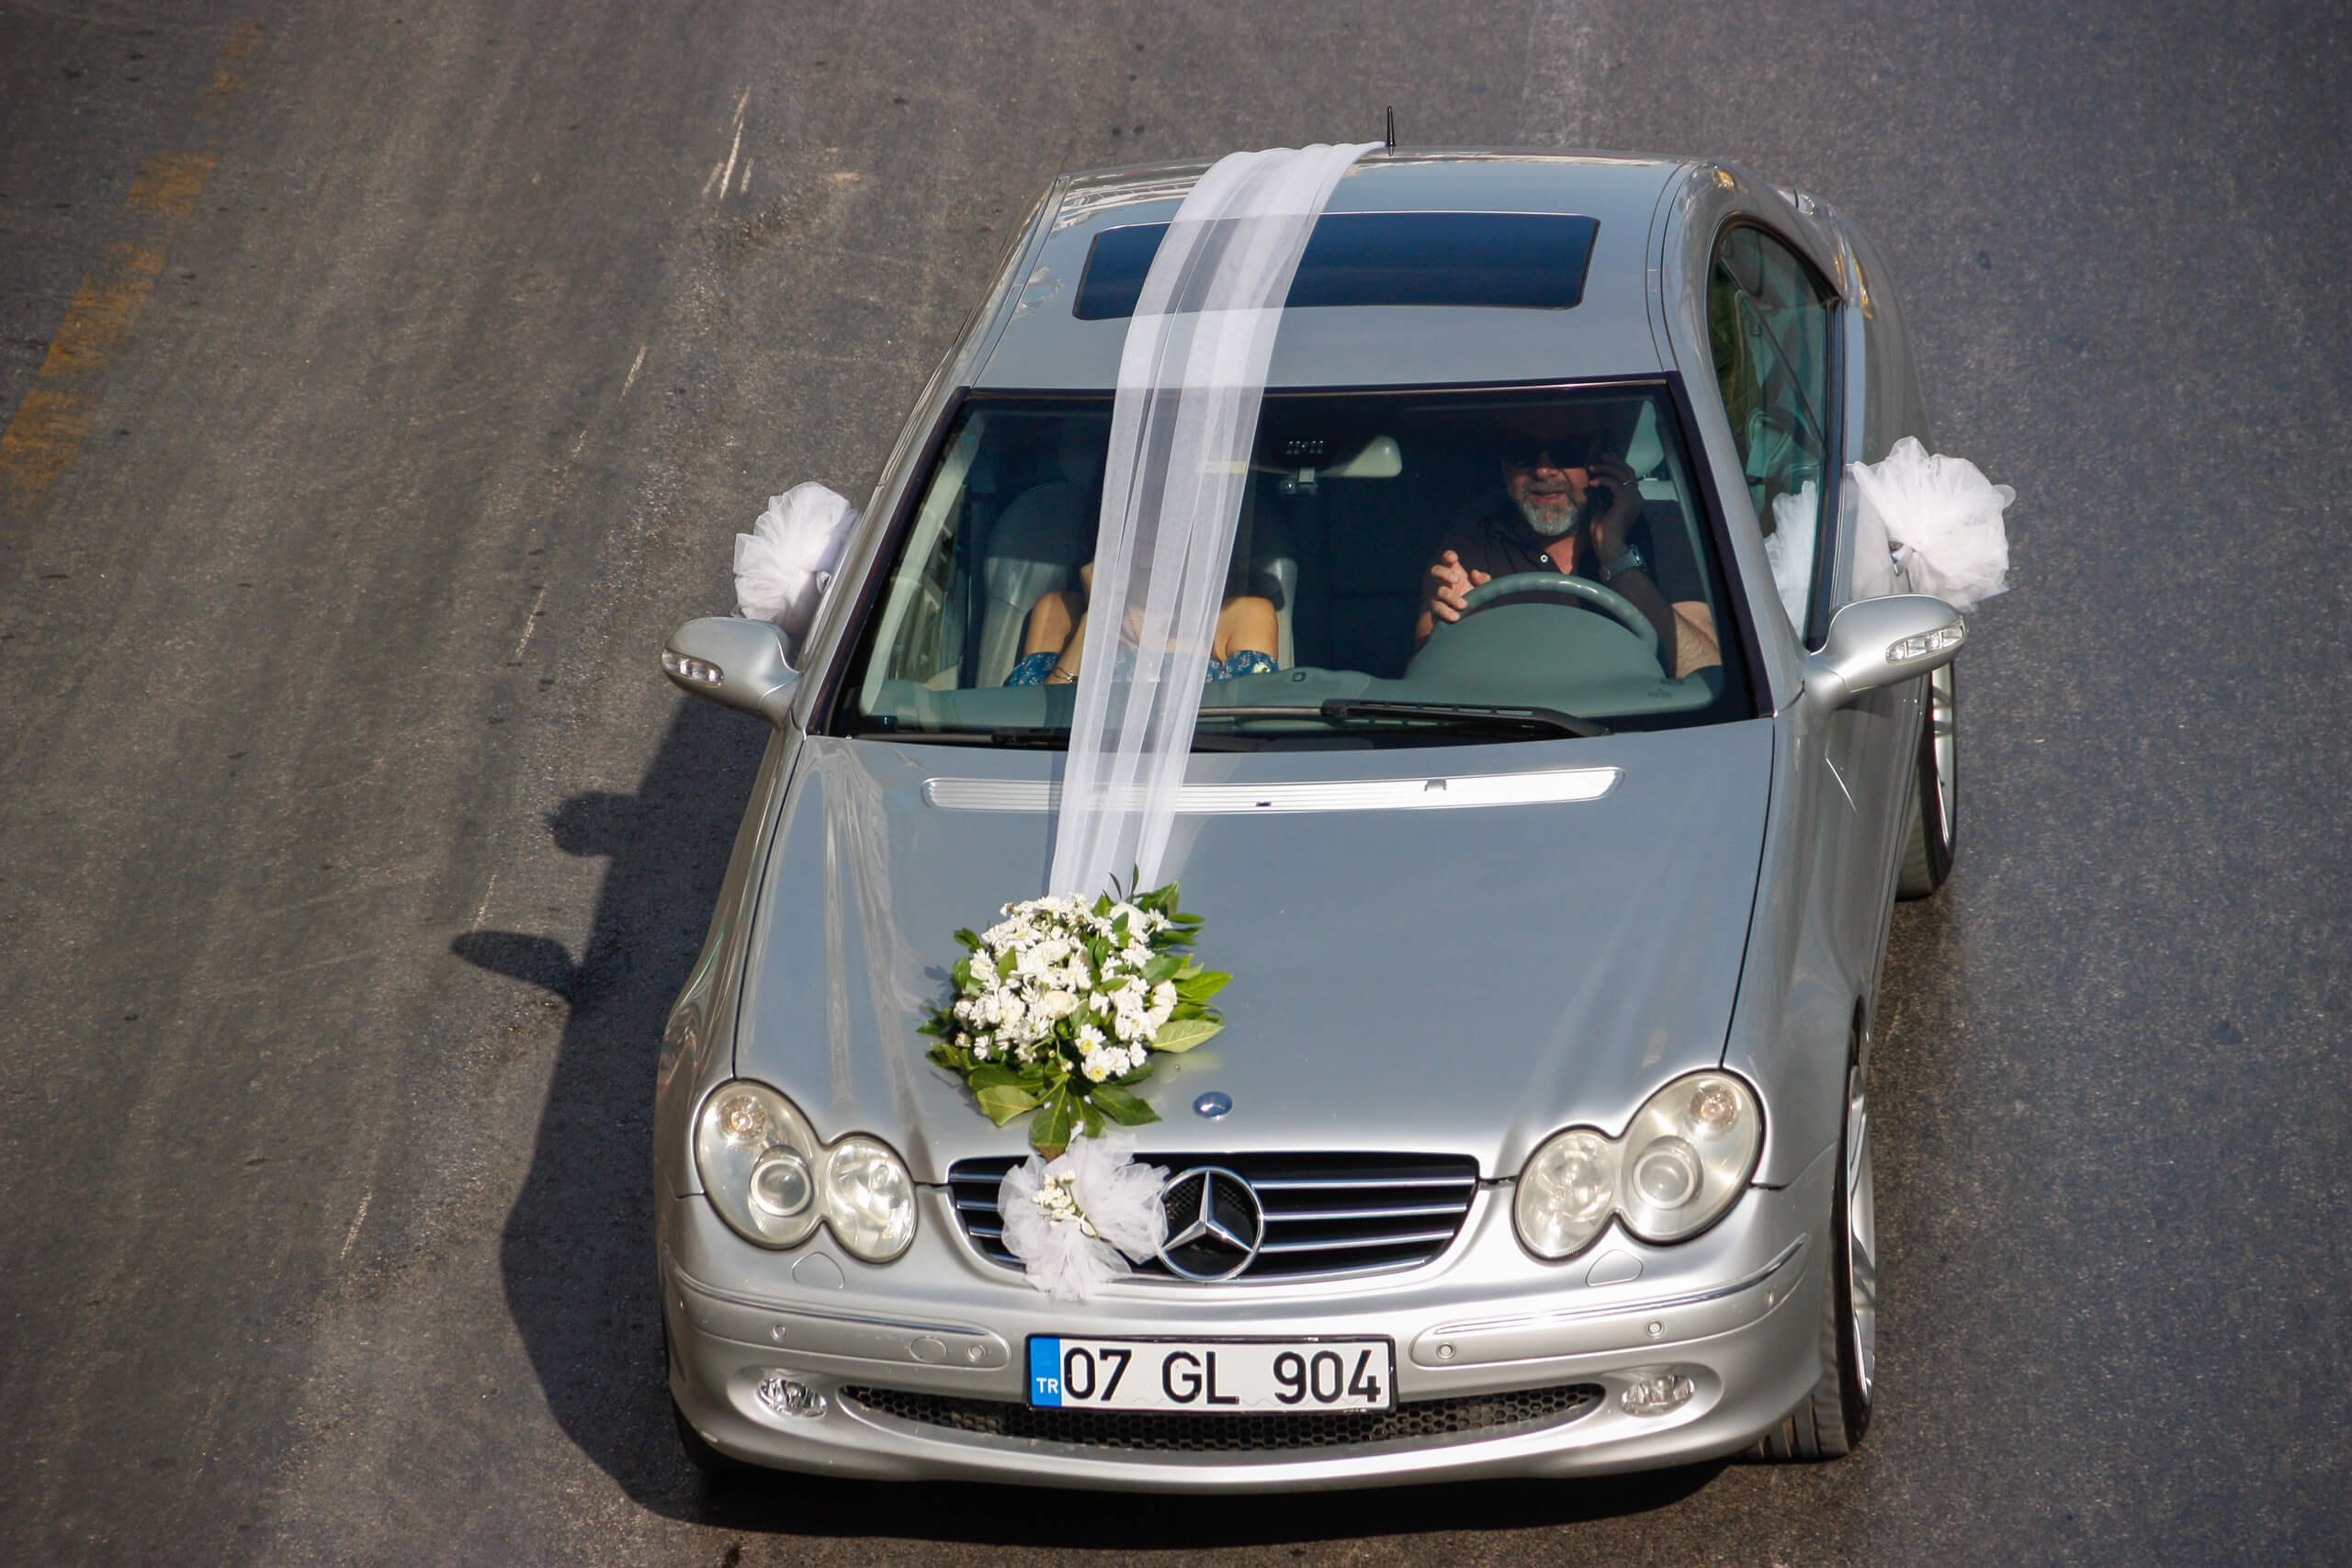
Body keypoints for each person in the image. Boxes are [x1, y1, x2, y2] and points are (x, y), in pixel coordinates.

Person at [1416, 430, 1721, 679]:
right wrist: (1467, 634)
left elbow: (1704, 669)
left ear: (1605, 462)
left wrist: (1615, 555)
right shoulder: (1473, 537)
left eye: (1568, 450)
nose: (1543, 470)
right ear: (1504, 466)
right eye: (1520, 452)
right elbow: (1423, 684)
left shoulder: (1658, 527)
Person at [1005, 560, 1280, 686]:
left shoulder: (1241, 614)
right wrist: (1097, 615)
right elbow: (1036, 726)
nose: (1150, 533)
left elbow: (1245, 730)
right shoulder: (1060, 611)